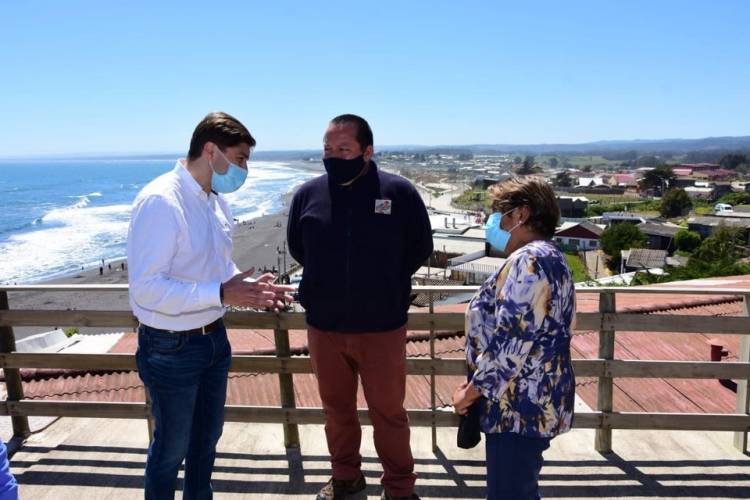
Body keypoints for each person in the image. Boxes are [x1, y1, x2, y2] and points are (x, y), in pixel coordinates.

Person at [127, 111, 294, 500]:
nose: (244, 169)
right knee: (171, 449)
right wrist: (221, 294)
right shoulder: (160, 201)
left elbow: (218, 268)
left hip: (214, 340)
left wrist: (246, 287)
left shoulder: (216, 203)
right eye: (239, 159)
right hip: (170, 346)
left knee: (206, 442)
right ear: (210, 150)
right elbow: (146, 290)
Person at [287, 114, 433, 500]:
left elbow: (420, 249)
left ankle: (400, 488)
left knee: (389, 414)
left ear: (367, 151)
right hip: (325, 328)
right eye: (328, 149)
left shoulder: (399, 193)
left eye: (344, 149)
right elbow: (298, 249)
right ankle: (346, 478)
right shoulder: (307, 195)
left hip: (382, 328)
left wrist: (382, 286)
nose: (333, 156)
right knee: (336, 413)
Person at [452, 176, 576, 500]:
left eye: (500, 212)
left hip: (518, 409)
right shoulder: (553, 257)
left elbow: (512, 342)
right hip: (533, 401)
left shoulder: (530, 261)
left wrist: (471, 393)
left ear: (521, 214)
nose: (493, 221)